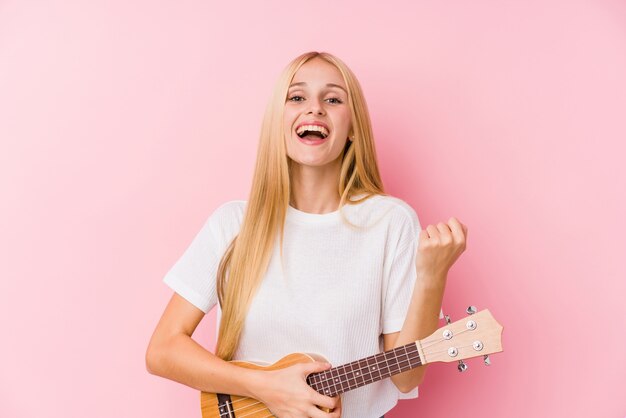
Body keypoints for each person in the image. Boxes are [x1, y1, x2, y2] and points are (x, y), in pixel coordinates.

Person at [145, 51, 467, 418]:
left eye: (332, 99)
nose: (314, 109)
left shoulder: (390, 223)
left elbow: (407, 377)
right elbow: (162, 351)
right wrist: (266, 387)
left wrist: (432, 276)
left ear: (353, 129)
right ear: (277, 123)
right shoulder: (232, 224)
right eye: (297, 97)